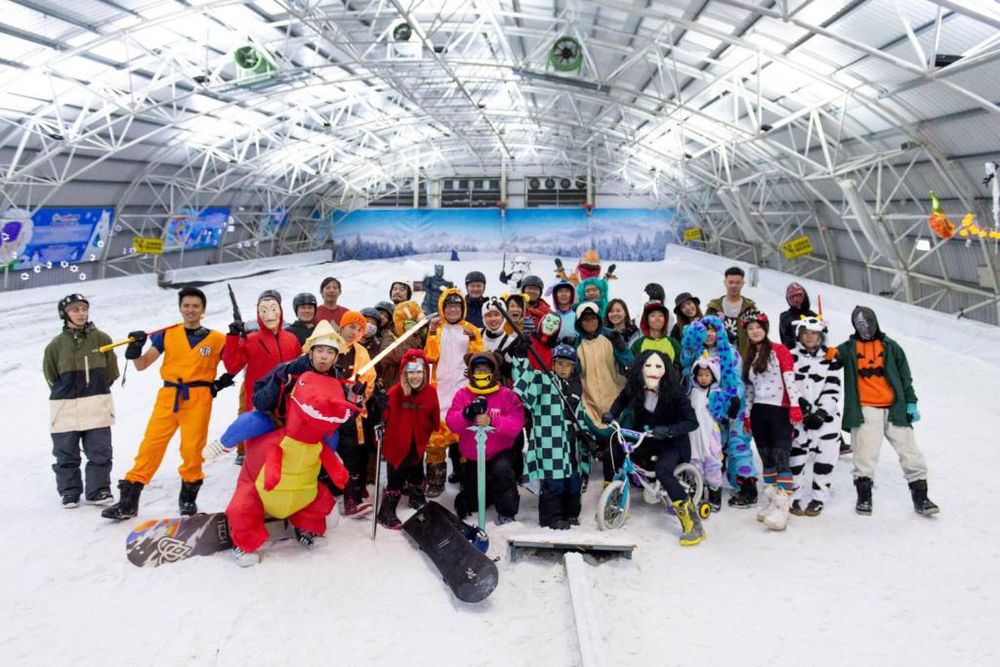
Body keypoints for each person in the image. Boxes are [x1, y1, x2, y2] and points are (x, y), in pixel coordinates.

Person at [102, 287, 233, 520]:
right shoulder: (167, 334)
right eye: (186, 305)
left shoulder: (217, 339)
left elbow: (235, 361)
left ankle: (188, 500)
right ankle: (129, 501)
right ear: (180, 308)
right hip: (169, 395)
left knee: (192, 449)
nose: (190, 310)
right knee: (151, 445)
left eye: (195, 306)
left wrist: (221, 382)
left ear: (203, 310)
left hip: (199, 398)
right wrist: (135, 349)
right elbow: (142, 364)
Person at [827, 306, 938, 516]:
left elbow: (906, 378)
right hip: (865, 409)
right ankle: (864, 497)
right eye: (860, 324)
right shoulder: (849, 348)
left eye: (868, 322)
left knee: (911, 453)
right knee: (865, 454)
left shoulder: (891, 347)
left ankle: (921, 498)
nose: (865, 327)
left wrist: (911, 402)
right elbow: (830, 361)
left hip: (894, 408)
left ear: (875, 321)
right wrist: (828, 351)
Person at [602, 350, 703, 546]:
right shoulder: (636, 387)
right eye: (647, 366)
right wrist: (611, 415)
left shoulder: (676, 392)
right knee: (611, 453)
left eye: (658, 366)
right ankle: (611, 500)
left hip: (672, 443)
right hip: (645, 438)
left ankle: (692, 523)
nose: (652, 371)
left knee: (663, 471)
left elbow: (692, 422)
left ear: (665, 370)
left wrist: (668, 431)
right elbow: (622, 400)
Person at [43, 294, 119, 508]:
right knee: (65, 453)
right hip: (65, 406)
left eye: (84, 309)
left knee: (100, 450)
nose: (81, 313)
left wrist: (95, 389)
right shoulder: (55, 346)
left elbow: (111, 372)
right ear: (64, 314)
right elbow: (50, 376)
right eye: (75, 309)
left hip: (96, 402)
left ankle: (99, 490)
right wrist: (67, 391)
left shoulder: (102, 339)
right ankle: (69, 492)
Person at [511, 344, 592, 529]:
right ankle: (550, 519)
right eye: (560, 363)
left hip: (572, 442)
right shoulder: (543, 380)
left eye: (568, 365)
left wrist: (587, 437)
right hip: (550, 443)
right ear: (553, 364)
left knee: (572, 481)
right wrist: (521, 357)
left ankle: (570, 514)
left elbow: (581, 417)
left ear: (573, 368)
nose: (563, 368)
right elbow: (523, 380)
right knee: (554, 481)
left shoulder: (575, 388)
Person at [680, 316, 757, 509]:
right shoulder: (696, 352)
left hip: (728, 404)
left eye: (713, 330)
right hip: (705, 408)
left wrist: (733, 399)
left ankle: (747, 485)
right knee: (710, 447)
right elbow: (686, 369)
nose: (709, 334)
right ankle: (704, 483)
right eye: (705, 330)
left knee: (737, 443)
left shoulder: (729, 352)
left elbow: (738, 379)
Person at [741, 310, 804, 531]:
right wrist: (747, 414)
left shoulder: (779, 351)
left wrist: (795, 406)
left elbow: (789, 379)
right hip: (759, 411)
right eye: (750, 328)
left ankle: (783, 507)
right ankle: (771, 503)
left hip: (779, 409)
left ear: (765, 329)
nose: (754, 331)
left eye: (758, 327)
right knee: (766, 458)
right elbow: (749, 389)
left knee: (780, 457)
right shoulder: (750, 355)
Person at [445, 352, 525, 524]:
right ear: (472, 373)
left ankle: (507, 513)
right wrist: (466, 414)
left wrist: (493, 420)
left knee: (502, 472)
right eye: (478, 370)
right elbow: (451, 422)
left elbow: (516, 424)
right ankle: (476, 497)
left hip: (500, 452)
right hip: (474, 456)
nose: (482, 374)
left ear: (494, 372)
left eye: (486, 370)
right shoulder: (463, 394)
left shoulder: (506, 395)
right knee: (474, 500)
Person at [222, 290, 301, 463]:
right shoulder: (250, 340)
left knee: (285, 446)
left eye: (273, 309)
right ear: (258, 314)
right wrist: (233, 339)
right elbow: (232, 366)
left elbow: (299, 370)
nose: (269, 315)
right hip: (259, 402)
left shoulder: (292, 339)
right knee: (258, 448)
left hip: (287, 402)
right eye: (263, 310)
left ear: (280, 311)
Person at [424, 288, 484, 497]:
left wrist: (474, 340)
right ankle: (435, 480)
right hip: (439, 389)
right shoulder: (437, 328)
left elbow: (478, 360)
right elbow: (429, 357)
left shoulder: (471, 329)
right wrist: (431, 333)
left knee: (464, 436)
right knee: (436, 438)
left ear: (463, 308)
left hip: (462, 390)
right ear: (442, 307)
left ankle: (466, 478)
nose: (452, 310)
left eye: (456, 306)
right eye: (448, 306)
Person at [376, 350, 439, 529]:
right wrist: (379, 406)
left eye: (419, 371)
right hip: (397, 442)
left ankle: (416, 496)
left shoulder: (430, 392)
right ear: (404, 373)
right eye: (411, 372)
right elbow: (383, 416)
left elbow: (434, 415)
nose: (415, 376)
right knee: (398, 472)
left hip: (418, 439)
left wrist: (434, 427)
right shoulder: (395, 392)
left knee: (417, 467)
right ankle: (386, 510)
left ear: (425, 372)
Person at [788, 316, 843, 517]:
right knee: (796, 458)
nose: (809, 337)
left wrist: (820, 413)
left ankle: (819, 497)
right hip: (799, 417)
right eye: (805, 333)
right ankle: (793, 496)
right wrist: (802, 407)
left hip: (825, 421)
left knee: (825, 459)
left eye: (813, 333)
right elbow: (789, 383)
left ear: (820, 336)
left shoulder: (831, 358)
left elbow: (833, 389)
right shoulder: (791, 356)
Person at [335, 310, 377, 516]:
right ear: (342, 327)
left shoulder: (362, 352)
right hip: (327, 412)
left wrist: (361, 393)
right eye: (352, 327)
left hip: (353, 413)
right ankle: (344, 493)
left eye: (360, 329)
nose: (355, 332)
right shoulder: (328, 346)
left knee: (357, 450)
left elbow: (370, 378)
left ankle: (356, 490)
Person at [573, 302, 631, 437]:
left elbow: (629, 363)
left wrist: (621, 348)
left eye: (593, 318)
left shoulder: (611, 336)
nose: (589, 322)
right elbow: (575, 371)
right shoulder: (577, 343)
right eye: (585, 319)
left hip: (616, 397)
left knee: (621, 442)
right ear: (579, 322)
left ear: (599, 318)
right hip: (589, 401)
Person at [687, 353, 725, 511]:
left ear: (714, 376)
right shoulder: (692, 393)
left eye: (707, 375)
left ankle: (715, 494)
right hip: (694, 435)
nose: (703, 378)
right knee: (695, 464)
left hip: (710, 434)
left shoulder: (717, 393)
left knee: (712, 464)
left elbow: (723, 414)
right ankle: (698, 491)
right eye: (700, 375)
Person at [705, 266, 757, 358]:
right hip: (717, 358)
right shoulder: (714, 307)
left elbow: (758, 332)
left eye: (737, 283)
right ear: (725, 282)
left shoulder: (749, 308)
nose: (734, 286)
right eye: (731, 282)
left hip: (744, 358)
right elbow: (704, 331)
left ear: (743, 284)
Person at [630, 300, 682, 365]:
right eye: (653, 316)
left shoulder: (673, 344)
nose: (657, 318)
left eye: (661, 315)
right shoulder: (638, 344)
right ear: (646, 320)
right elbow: (632, 366)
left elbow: (680, 366)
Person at [779, 282, 817, 349]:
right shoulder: (785, 318)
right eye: (792, 297)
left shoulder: (813, 315)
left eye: (799, 295)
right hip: (795, 356)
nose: (796, 300)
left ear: (804, 296)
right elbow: (789, 341)